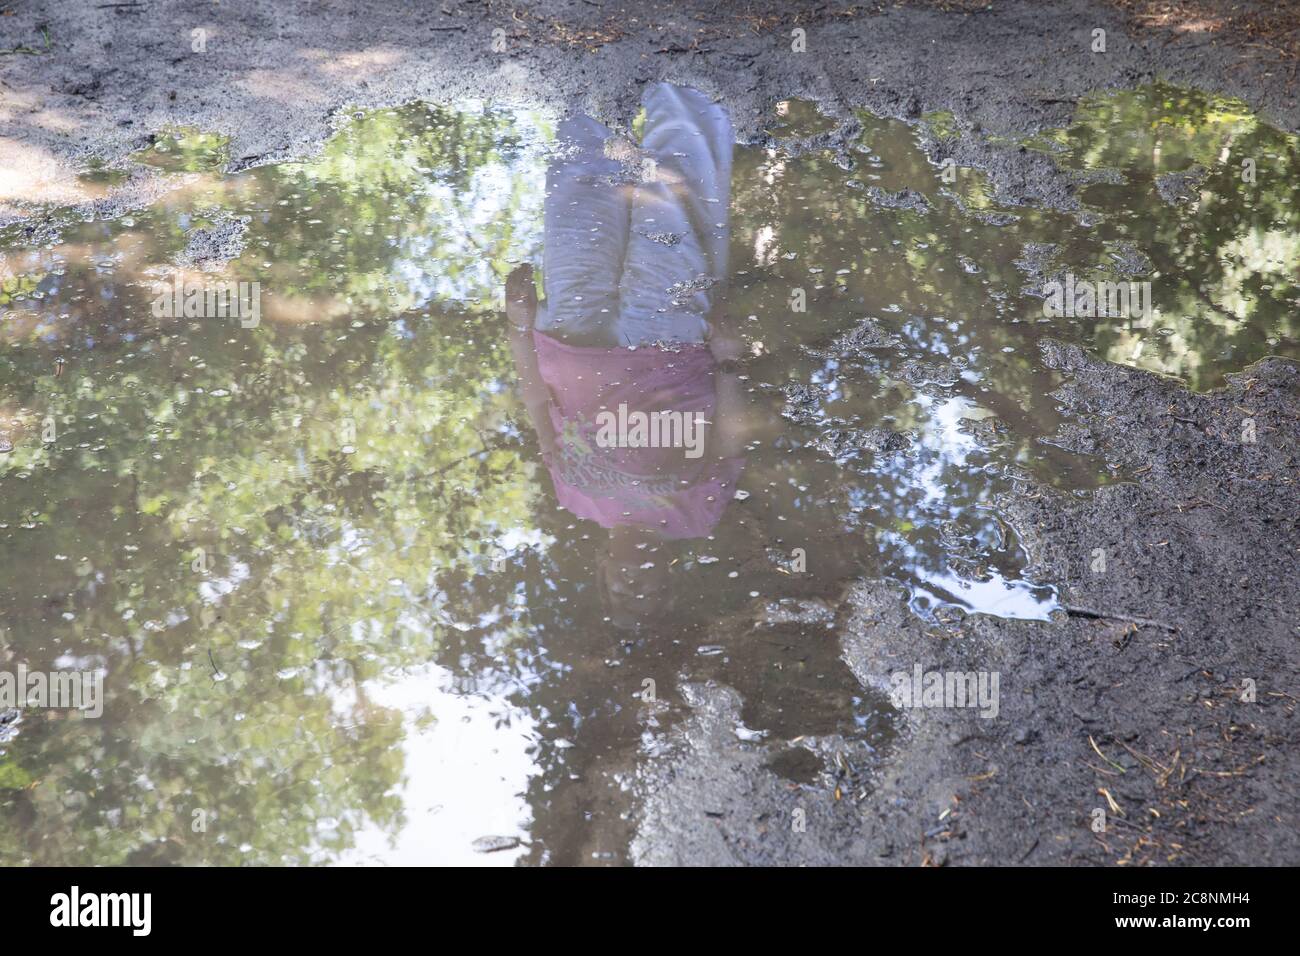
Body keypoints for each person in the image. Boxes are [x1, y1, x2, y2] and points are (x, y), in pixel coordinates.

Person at [507, 83, 752, 629]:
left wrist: (519, 331)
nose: (634, 585)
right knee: (674, 192)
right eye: (649, 596)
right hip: (669, 335)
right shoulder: (698, 516)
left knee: (580, 188)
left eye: (622, 595)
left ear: (602, 574)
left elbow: (538, 409)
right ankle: (690, 72)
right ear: (669, 581)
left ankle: (593, 71)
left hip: (570, 331)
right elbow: (732, 437)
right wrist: (731, 361)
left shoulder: (574, 499)